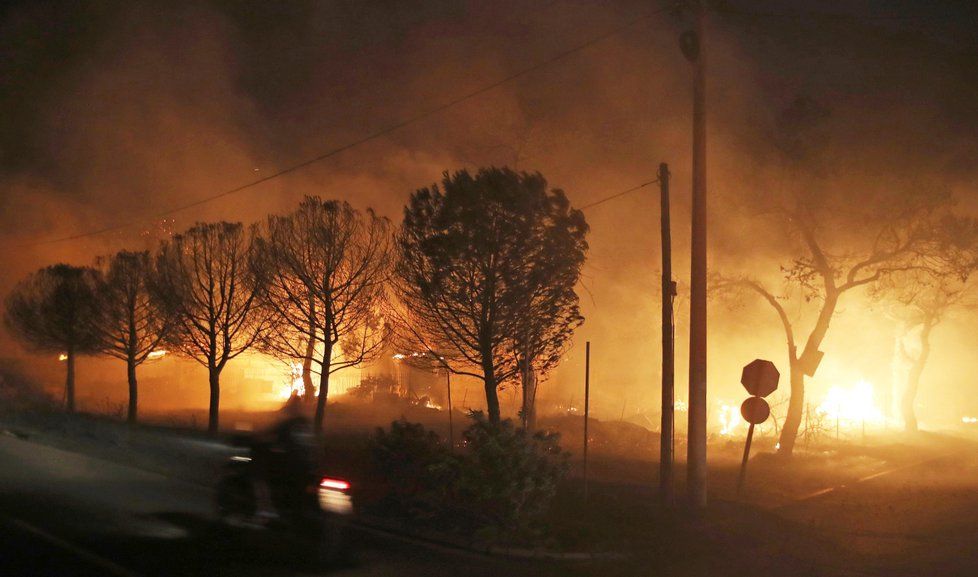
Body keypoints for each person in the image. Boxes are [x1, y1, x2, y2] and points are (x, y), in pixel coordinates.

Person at [252, 394, 315, 520]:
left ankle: (265, 508)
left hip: (289, 463)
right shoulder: (305, 423)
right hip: (306, 463)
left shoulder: (287, 424)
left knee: (259, 475)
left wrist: (256, 437)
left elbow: (269, 433)